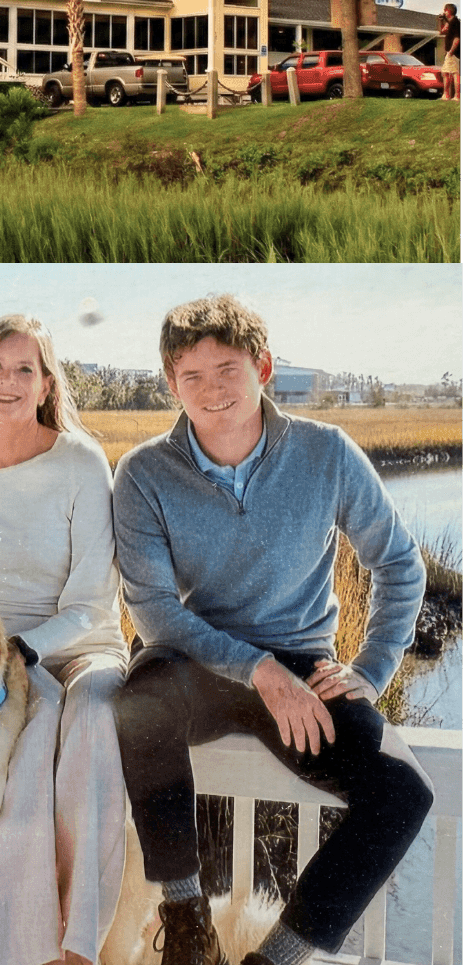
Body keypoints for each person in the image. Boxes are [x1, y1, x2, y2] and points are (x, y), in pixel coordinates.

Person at [111, 294, 434, 966]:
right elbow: (153, 612)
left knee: (402, 793)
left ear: (261, 365)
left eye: (225, 368)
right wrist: (258, 670)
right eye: (190, 375)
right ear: (170, 382)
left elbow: (399, 563)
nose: (210, 390)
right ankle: (186, 915)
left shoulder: (325, 453)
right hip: (192, 661)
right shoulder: (143, 472)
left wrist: (370, 669)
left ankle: (274, 957)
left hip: (301, 667)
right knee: (138, 699)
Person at [0, 316, 127, 966]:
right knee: (32, 730)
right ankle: (11, 948)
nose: (7, 381)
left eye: (24, 369)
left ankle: (77, 946)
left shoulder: (77, 460)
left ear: (46, 384)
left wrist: (18, 652)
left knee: (94, 715)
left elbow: (90, 601)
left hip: (84, 641)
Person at [440, 3, 460, 101]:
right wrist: (441, 21)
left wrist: (451, 51)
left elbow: (457, 38)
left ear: (449, 11)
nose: (444, 12)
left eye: (445, 10)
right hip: (450, 52)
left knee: (454, 73)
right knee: (447, 73)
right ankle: (447, 95)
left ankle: (455, 96)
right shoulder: (450, 22)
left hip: (453, 52)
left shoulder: (455, 22)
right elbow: (442, 31)